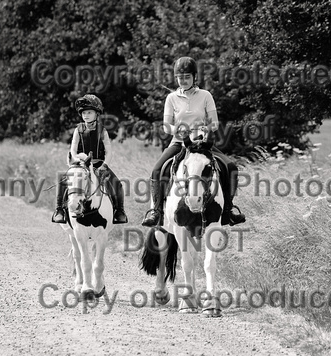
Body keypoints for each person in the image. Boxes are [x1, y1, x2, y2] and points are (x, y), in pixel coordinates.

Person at [141, 56, 246, 227]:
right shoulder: (171, 98)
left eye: (187, 77)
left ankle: (228, 209)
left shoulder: (205, 95)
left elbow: (214, 122)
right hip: (179, 143)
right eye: (180, 77)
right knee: (157, 170)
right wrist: (177, 130)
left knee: (231, 167)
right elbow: (167, 126)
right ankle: (157, 212)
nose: (183, 81)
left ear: (194, 77)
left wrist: (207, 128)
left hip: (202, 143)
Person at [52, 94, 128, 224]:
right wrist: (77, 160)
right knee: (62, 180)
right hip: (80, 164)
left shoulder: (102, 131)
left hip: (98, 164)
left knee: (117, 184)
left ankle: (119, 211)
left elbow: (109, 152)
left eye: (89, 112)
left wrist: (105, 165)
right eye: (83, 113)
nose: (85, 115)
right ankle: (59, 210)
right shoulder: (78, 130)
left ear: (97, 114)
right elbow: (73, 149)